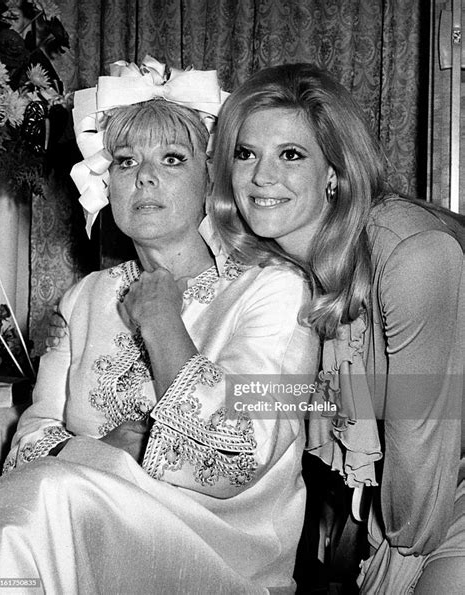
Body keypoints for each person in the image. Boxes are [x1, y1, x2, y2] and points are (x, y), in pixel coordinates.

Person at [0, 58, 322, 594]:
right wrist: (104, 451)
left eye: (171, 158)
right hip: (82, 530)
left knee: (49, 498)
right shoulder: (84, 298)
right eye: (125, 161)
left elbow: (240, 452)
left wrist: (164, 321)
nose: (144, 176)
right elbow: (27, 447)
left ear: (209, 179)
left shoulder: (273, 291)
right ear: (107, 183)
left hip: (221, 554)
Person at [208, 63, 465, 594]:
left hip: (440, 502)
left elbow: (419, 475)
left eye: (291, 155)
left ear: (335, 171)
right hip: (402, 510)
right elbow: (305, 400)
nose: (261, 176)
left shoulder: (413, 256)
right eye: (245, 152)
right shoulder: (287, 271)